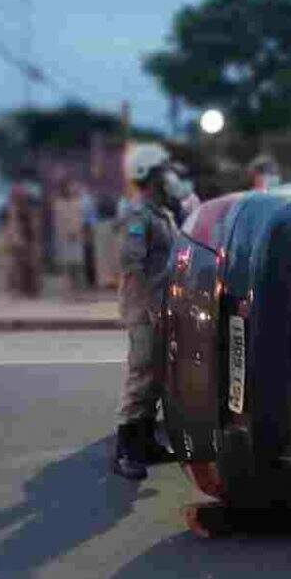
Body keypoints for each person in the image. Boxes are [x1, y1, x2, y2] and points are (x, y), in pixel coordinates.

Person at [113, 146, 180, 479]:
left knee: (156, 376)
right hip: (145, 308)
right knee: (141, 374)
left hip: (161, 306)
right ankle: (125, 450)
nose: (170, 177)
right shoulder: (138, 216)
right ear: (148, 176)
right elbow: (132, 264)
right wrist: (150, 307)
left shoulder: (160, 213)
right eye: (163, 172)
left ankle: (146, 442)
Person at [4, 182, 41, 298]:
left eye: (23, 195)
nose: (23, 197)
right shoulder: (13, 208)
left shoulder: (28, 208)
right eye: (20, 195)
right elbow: (13, 225)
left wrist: (34, 239)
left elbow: (33, 225)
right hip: (18, 240)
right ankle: (18, 289)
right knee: (16, 265)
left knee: (30, 265)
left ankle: (30, 290)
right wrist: (16, 239)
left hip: (28, 239)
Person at [51, 180, 87, 298]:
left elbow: (80, 220)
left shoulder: (78, 202)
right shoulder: (59, 203)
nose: (74, 189)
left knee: (78, 265)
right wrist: (64, 233)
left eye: (75, 187)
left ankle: (78, 292)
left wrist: (78, 232)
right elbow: (58, 222)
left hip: (77, 238)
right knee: (66, 266)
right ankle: (66, 292)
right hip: (64, 239)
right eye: (71, 187)